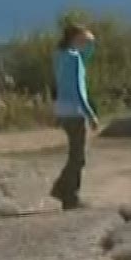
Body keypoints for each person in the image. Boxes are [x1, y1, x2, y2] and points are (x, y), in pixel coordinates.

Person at [49, 24, 99, 210]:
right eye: (83, 40)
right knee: (78, 157)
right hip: (75, 111)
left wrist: (91, 44)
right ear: (75, 38)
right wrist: (90, 114)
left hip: (62, 109)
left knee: (75, 155)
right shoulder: (74, 58)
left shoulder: (59, 56)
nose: (86, 43)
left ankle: (64, 190)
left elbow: (84, 60)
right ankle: (68, 194)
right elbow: (79, 90)